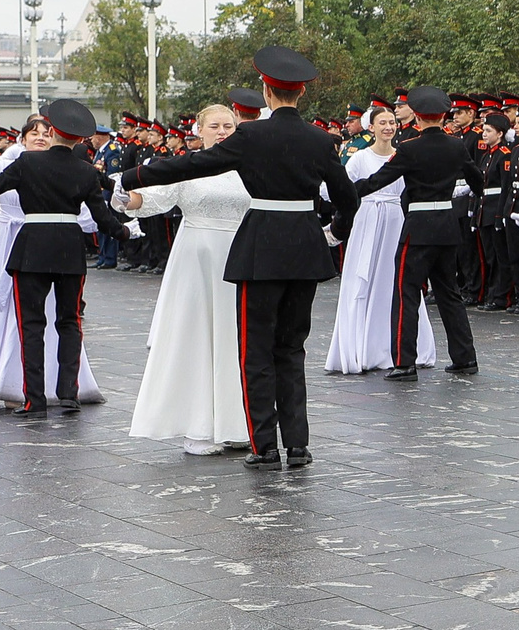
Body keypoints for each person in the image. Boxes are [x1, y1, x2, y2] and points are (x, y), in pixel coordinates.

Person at [124, 47, 359, 468]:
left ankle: (265, 446)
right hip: (304, 251)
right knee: (292, 350)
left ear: (267, 92)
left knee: (255, 351)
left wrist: (135, 176)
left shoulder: (250, 137)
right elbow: (347, 199)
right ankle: (299, 445)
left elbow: (193, 165)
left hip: (260, 251)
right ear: (301, 92)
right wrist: (332, 234)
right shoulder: (321, 140)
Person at [0, 100, 125, 417]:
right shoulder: (85, 171)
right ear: (80, 140)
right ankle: (69, 393)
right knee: (70, 322)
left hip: (31, 249)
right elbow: (104, 220)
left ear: (53, 131)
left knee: (31, 325)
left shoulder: (27, 163)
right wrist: (128, 232)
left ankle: (34, 399)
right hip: (69, 250)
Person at [127, 103, 257, 453]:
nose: (222, 131)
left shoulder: (250, 165)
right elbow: (155, 196)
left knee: (236, 339)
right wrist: (126, 197)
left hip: (240, 255)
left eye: (228, 125)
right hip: (196, 258)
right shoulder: (188, 167)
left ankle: (237, 424)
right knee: (197, 335)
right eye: (214, 125)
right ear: (199, 131)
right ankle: (199, 426)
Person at [346, 87, 479, 380]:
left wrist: (347, 193)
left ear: (417, 117)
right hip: (446, 227)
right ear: (444, 116)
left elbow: (379, 180)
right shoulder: (457, 146)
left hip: (417, 229)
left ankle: (405, 361)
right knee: (449, 294)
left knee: (406, 294)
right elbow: (477, 181)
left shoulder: (409, 148)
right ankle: (465, 357)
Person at [325, 105, 437, 375]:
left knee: (395, 279)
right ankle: (361, 347)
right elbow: (343, 190)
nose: (388, 127)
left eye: (391, 122)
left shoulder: (404, 155)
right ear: (371, 127)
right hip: (367, 219)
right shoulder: (360, 158)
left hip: (395, 219)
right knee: (363, 278)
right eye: (382, 123)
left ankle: (400, 346)